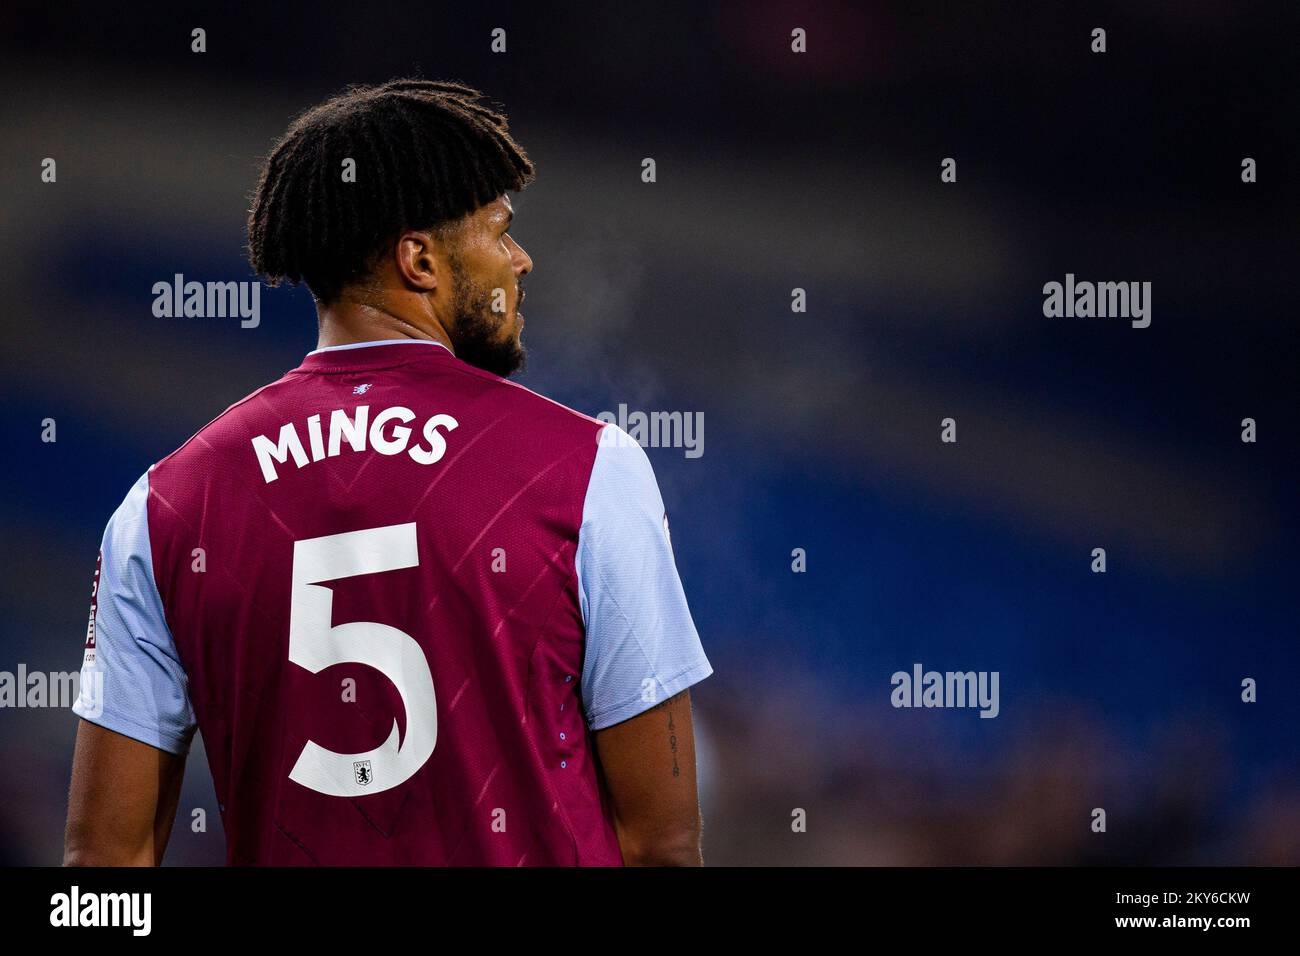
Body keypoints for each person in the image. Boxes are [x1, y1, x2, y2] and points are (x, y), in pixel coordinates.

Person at [63, 79, 712, 866]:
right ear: (420, 260)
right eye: (499, 231)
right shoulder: (588, 469)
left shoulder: (164, 505)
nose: (520, 259)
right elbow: (663, 841)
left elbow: (102, 867)